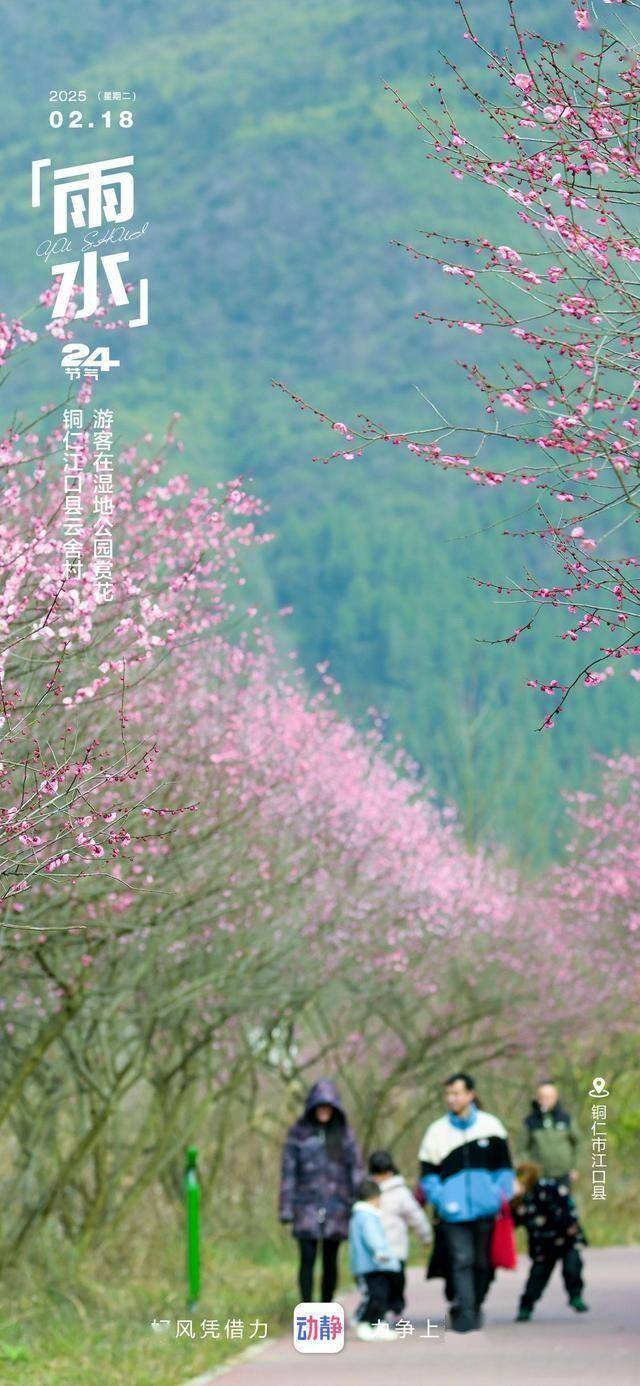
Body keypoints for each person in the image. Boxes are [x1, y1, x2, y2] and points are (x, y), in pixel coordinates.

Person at [418, 1071, 515, 1333]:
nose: (452, 1098)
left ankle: (474, 1303)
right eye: (448, 1094)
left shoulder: (491, 1127)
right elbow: (427, 1175)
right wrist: (440, 1198)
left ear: (470, 1094)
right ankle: (467, 1312)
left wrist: (496, 1195)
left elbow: (505, 1169)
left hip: (485, 1209)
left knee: (483, 1262)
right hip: (453, 1213)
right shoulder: (436, 1132)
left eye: (457, 1093)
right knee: (462, 1259)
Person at [279, 1078, 363, 1303]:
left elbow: (355, 1167)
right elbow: (288, 1172)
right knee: (307, 1258)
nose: (324, 1111)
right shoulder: (298, 1133)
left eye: (328, 1106)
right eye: (320, 1106)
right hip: (305, 1205)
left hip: (337, 1206)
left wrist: (358, 1201)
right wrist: (286, 1207)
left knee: (330, 1260)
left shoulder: (345, 1134)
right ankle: (306, 1307)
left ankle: (326, 1306)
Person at [512, 1160, 589, 1320]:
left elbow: (568, 1206)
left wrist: (572, 1225)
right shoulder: (518, 1200)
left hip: (566, 1237)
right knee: (537, 1277)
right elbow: (511, 1223)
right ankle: (526, 1307)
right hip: (542, 1244)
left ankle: (575, 1296)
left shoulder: (549, 1187)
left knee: (572, 1266)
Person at [368, 1150, 432, 1318]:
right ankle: (378, 1313)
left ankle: (397, 1308)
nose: (379, 1179)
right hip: (374, 1249)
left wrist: (425, 1236)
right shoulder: (368, 1192)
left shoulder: (400, 1192)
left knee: (396, 1281)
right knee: (378, 1284)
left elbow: (415, 1216)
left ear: (390, 1172)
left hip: (395, 1248)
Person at [348, 1177, 400, 1341]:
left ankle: (378, 1324)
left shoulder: (361, 1215)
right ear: (375, 1198)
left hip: (374, 1266)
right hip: (370, 1265)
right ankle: (362, 1321)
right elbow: (372, 1237)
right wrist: (381, 1251)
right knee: (372, 1296)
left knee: (380, 1296)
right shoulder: (366, 1216)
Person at [523, 1081, 579, 1182]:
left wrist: (575, 1167)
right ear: (538, 1099)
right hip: (538, 1176)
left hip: (563, 1176)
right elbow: (522, 1148)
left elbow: (578, 1142)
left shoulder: (565, 1118)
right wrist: (528, 1171)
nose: (546, 1101)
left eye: (549, 1097)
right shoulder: (531, 1121)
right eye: (543, 1097)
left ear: (555, 1098)